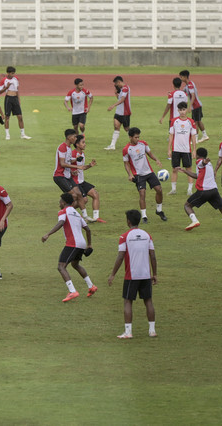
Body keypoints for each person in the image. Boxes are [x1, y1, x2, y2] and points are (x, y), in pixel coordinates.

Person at [108, 209, 157, 339]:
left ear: (128, 221)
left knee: (128, 301)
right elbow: (153, 256)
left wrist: (113, 274)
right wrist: (155, 273)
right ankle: (152, 331)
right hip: (146, 274)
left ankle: (128, 332)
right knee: (148, 301)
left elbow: (120, 257)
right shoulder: (147, 235)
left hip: (131, 275)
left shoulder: (124, 237)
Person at [41, 193, 97, 303]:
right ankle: (91, 286)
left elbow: (61, 222)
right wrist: (89, 245)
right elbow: (88, 230)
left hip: (72, 243)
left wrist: (48, 234)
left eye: (60, 202)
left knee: (61, 267)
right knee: (75, 264)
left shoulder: (63, 211)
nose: (59, 204)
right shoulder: (77, 213)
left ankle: (72, 291)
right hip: (81, 243)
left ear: (63, 202)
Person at [176, 147, 222, 234]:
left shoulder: (199, 162)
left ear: (198, 155)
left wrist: (204, 162)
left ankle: (194, 221)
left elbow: (201, 163)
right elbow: (197, 176)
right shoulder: (209, 164)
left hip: (203, 191)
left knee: (187, 205)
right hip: (213, 191)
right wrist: (184, 171)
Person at [122, 127, 167, 224]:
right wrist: (130, 175)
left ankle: (159, 211)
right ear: (130, 137)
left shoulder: (143, 144)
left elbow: (150, 153)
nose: (137, 139)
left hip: (149, 172)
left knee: (159, 189)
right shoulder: (126, 149)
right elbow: (126, 163)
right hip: (138, 175)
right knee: (142, 193)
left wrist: (156, 160)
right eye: (135, 137)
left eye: (138, 137)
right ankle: (144, 216)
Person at [167, 101, 197, 196]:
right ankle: (173, 189)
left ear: (187, 110)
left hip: (186, 150)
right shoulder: (174, 121)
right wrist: (169, 149)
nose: (182, 112)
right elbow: (171, 135)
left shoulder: (191, 122)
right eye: (180, 110)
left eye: (184, 110)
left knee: (189, 170)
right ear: (178, 110)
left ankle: (189, 190)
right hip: (175, 149)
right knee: (175, 169)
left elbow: (193, 137)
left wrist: (194, 149)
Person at [53, 129, 85, 216]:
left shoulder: (69, 148)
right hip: (60, 176)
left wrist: (75, 161)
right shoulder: (62, 147)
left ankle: (85, 217)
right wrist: (77, 166)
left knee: (79, 194)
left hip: (67, 176)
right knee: (73, 196)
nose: (76, 138)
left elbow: (68, 161)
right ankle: (63, 213)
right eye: (74, 136)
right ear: (69, 137)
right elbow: (63, 164)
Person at [72, 134, 103, 222]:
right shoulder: (73, 154)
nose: (85, 144)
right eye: (83, 142)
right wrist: (72, 172)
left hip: (81, 181)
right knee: (84, 200)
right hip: (75, 182)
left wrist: (90, 165)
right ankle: (66, 211)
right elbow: (67, 167)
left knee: (95, 194)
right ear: (77, 144)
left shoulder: (82, 154)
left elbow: (81, 167)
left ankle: (96, 218)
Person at [0, 66, 32, 140]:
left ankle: (23, 134)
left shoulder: (16, 79)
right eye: (11, 73)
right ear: (8, 73)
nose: (13, 75)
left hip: (15, 99)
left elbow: (17, 89)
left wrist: (18, 99)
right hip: (8, 98)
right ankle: (7, 135)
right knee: (7, 117)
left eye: (14, 73)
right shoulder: (3, 81)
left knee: (20, 117)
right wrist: (6, 87)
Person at [179, 70, 208, 143]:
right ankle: (205, 135)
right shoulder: (187, 86)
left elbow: (193, 95)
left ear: (185, 77)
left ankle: (196, 139)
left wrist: (190, 107)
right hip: (197, 106)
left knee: (195, 122)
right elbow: (183, 93)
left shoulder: (190, 85)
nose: (180, 78)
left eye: (181, 77)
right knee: (198, 121)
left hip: (196, 106)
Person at [105, 76, 131, 150]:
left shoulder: (126, 88)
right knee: (116, 127)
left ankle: (136, 141)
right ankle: (112, 145)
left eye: (116, 84)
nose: (116, 85)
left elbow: (122, 99)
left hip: (125, 113)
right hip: (118, 112)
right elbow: (120, 98)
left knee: (127, 129)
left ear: (119, 82)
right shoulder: (121, 89)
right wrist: (116, 94)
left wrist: (113, 105)